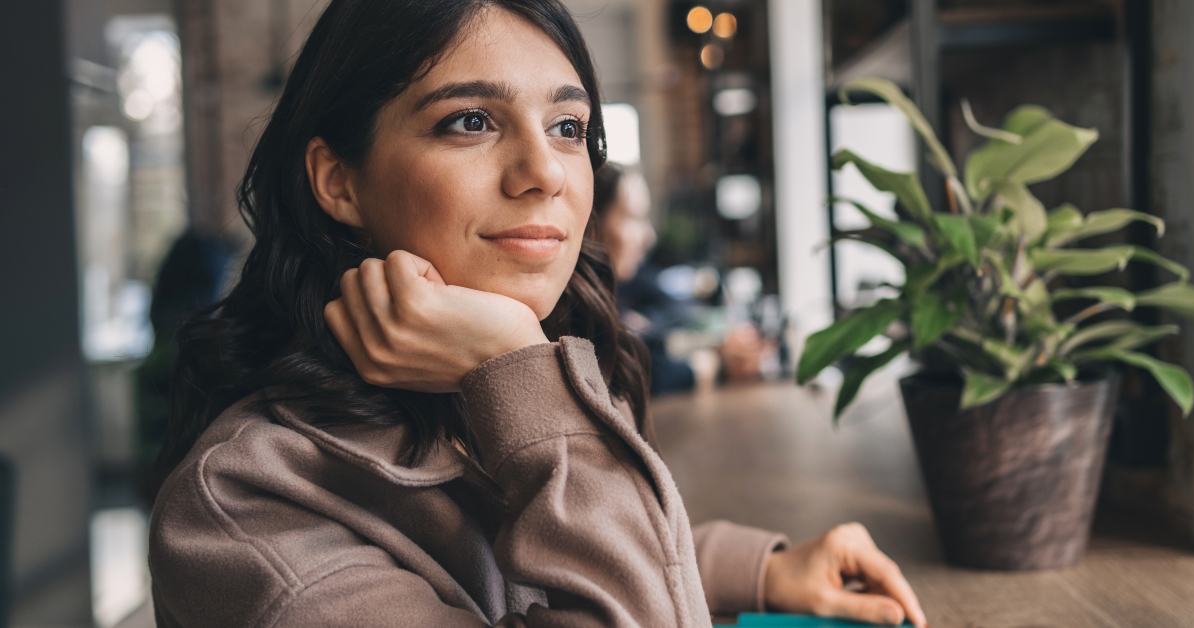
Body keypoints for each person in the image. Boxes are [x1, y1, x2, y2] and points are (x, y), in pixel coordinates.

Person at [148, 1, 927, 626]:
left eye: (568, 127)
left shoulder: (465, 389)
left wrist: (753, 568)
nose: (545, 172)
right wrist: (520, 370)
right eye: (471, 121)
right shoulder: (241, 509)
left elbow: (510, 567)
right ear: (337, 180)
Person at [592, 164, 772, 394]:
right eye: (634, 218)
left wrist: (722, 340)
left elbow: (673, 311)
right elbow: (636, 376)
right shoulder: (581, 314)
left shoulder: (628, 285)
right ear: (592, 223)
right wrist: (711, 366)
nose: (649, 237)